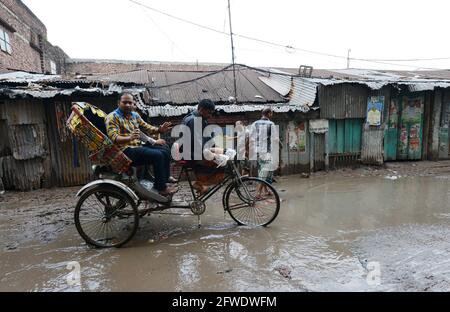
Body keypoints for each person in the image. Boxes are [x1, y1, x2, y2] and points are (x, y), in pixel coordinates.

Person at [105, 93, 177, 196]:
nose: (128, 105)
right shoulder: (112, 117)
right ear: (118, 103)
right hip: (124, 151)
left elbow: (146, 127)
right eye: (125, 102)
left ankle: (165, 178)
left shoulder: (135, 115)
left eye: (130, 103)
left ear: (133, 103)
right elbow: (114, 137)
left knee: (164, 148)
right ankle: (161, 188)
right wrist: (129, 138)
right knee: (158, 155)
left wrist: (159, 129)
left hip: (137, 147)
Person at [182, 99, 225, 194]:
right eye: (209, 113)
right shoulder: (193, 121)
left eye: (211, 113)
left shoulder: (201, 120)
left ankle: (202, 183)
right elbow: (197, 144)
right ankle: (200, 183)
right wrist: (213, 153)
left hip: (197, 151)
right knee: (222, 162)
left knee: (221, 154)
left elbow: (208, 138)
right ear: (201, 109)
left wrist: (216, 147)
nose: (210, 115)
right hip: (191, 154)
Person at [249, 107, 279, 199]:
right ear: (269, 114)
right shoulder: (271, 124)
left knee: (262, 170)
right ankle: (258, 193)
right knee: (265, 172)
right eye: (271, 113)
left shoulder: (255, 123)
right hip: (267, 151)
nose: (272, 114)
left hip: (257, 151)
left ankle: (266, 190)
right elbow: (275, 139)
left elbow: (250, 137)